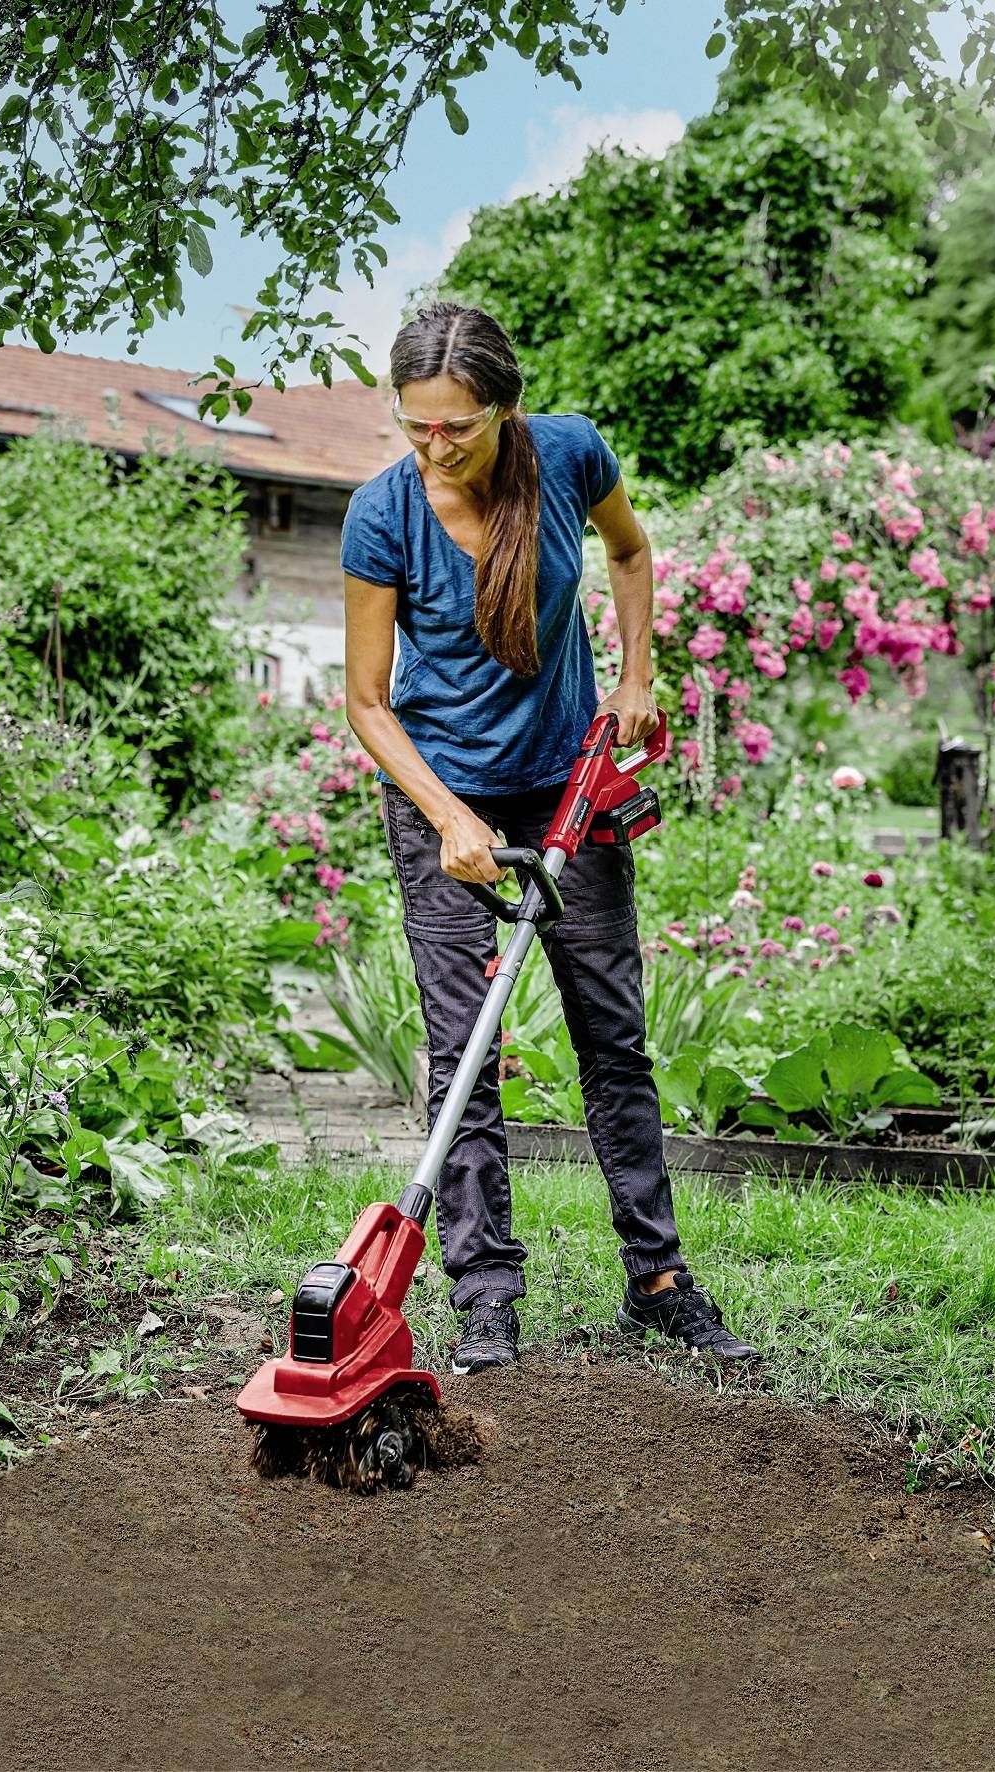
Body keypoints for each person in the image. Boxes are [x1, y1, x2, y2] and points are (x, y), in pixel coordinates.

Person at [339, 301, 758, 1375]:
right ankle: (484, 1293)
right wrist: (449, 818)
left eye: (457, 428)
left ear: (504, 410)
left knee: (610, 1034)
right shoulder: (381, 513)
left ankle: (657, 1277)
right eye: (416, 425)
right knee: (463, 1050)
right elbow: (368, 702)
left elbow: (628, 551)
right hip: (444, 803)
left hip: (571, 788)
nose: (435, 446)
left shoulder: (566, 456)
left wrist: (634, 674)